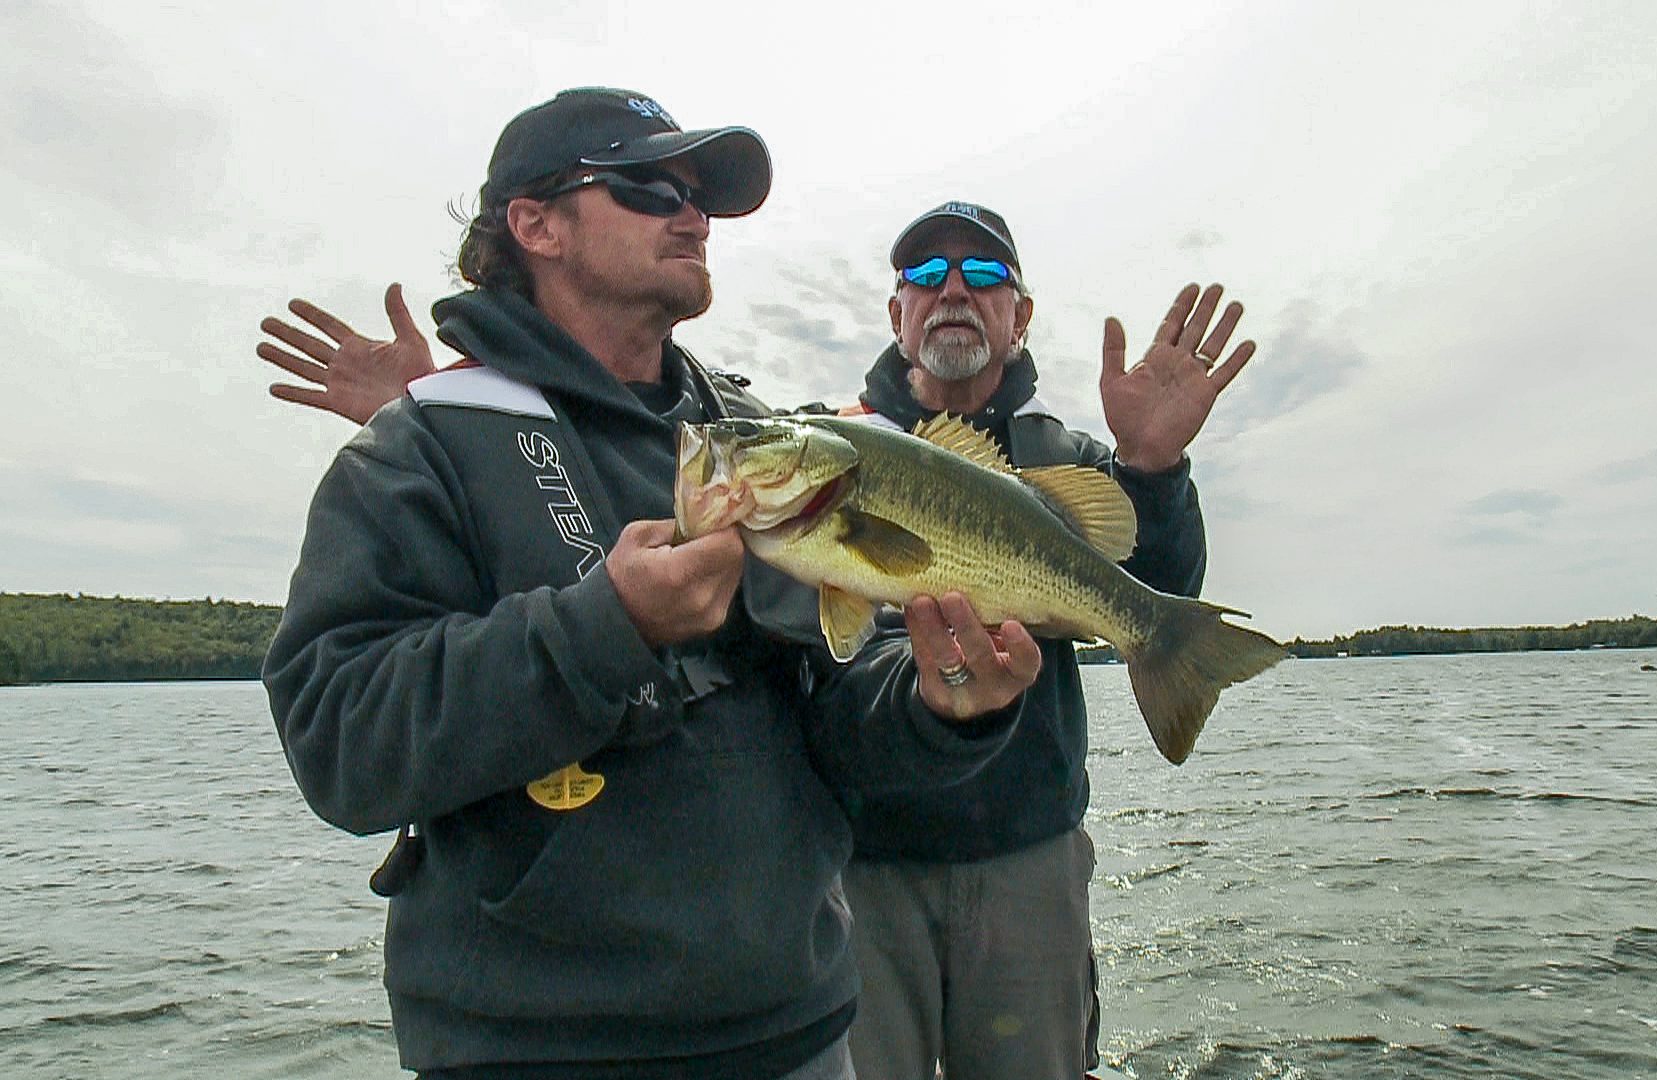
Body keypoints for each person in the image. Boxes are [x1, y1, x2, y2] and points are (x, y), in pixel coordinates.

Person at [262, 203, 1254, 1077]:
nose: (954, 290)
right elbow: (774, 607)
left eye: (985, 274)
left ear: (1018, 314)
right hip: (859, 868)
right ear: (895, 313)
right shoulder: (810, 438)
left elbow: (1153, 601)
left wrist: (1152, 468)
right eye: (924, 275)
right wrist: (460, 415)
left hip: (1022, 848)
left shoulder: (1061, 459)